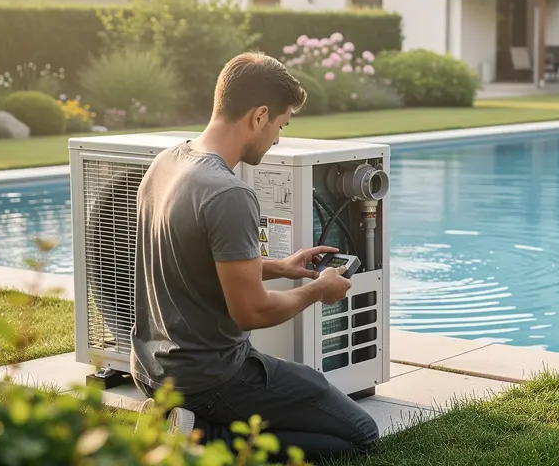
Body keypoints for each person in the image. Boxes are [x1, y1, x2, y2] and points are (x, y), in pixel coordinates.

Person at [129, 51, 380, 461]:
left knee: (303, 409)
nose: (278, 138)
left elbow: (193, 260)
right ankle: (200, 440)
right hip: (211, 377)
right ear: (260, 116)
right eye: (280, 125)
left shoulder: (166, 164)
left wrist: (280, 266)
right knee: (360, 435)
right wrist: (319, 290)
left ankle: (180, 420)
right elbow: (252, 312)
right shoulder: (228, 192)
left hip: (153, 371)